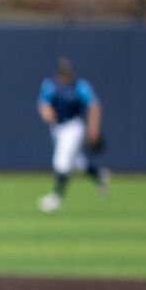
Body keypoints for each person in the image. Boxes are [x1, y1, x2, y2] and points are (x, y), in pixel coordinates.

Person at [36, 57, 110, 213]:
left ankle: (56, 198)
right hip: (57, 128)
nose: (65, 77)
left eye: (67, 74)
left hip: (73, 126)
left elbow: (94, 107)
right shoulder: (50, 86)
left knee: (61, 161)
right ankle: (99, 175)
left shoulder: (80, 86)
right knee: (76, 162)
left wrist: (93, 129)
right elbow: (43, 105)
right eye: (62, 74)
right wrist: (46, 113)